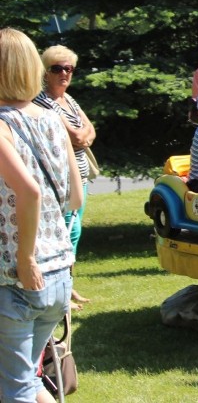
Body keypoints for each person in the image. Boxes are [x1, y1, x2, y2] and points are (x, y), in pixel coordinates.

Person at [0, 27, 83, 403]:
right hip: (58, 276)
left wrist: (25, 257)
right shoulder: (52, 118)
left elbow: (28, 191)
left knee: (15, 389)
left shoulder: (1, 125)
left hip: (16, 278)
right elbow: (76, 197)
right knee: (29, 384)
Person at [34, 45, 97, 311]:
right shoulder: (44, 101)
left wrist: (84, 135)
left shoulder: (68, 100)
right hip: (60, 181)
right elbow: (78, 137)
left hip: (79, 177)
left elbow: (90, 130)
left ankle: (68, 286)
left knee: (74, 233)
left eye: (68, 69)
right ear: (45, 72)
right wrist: (83, 135)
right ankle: (60, 290)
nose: (64, 74)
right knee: (63, 235)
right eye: (57, 69)